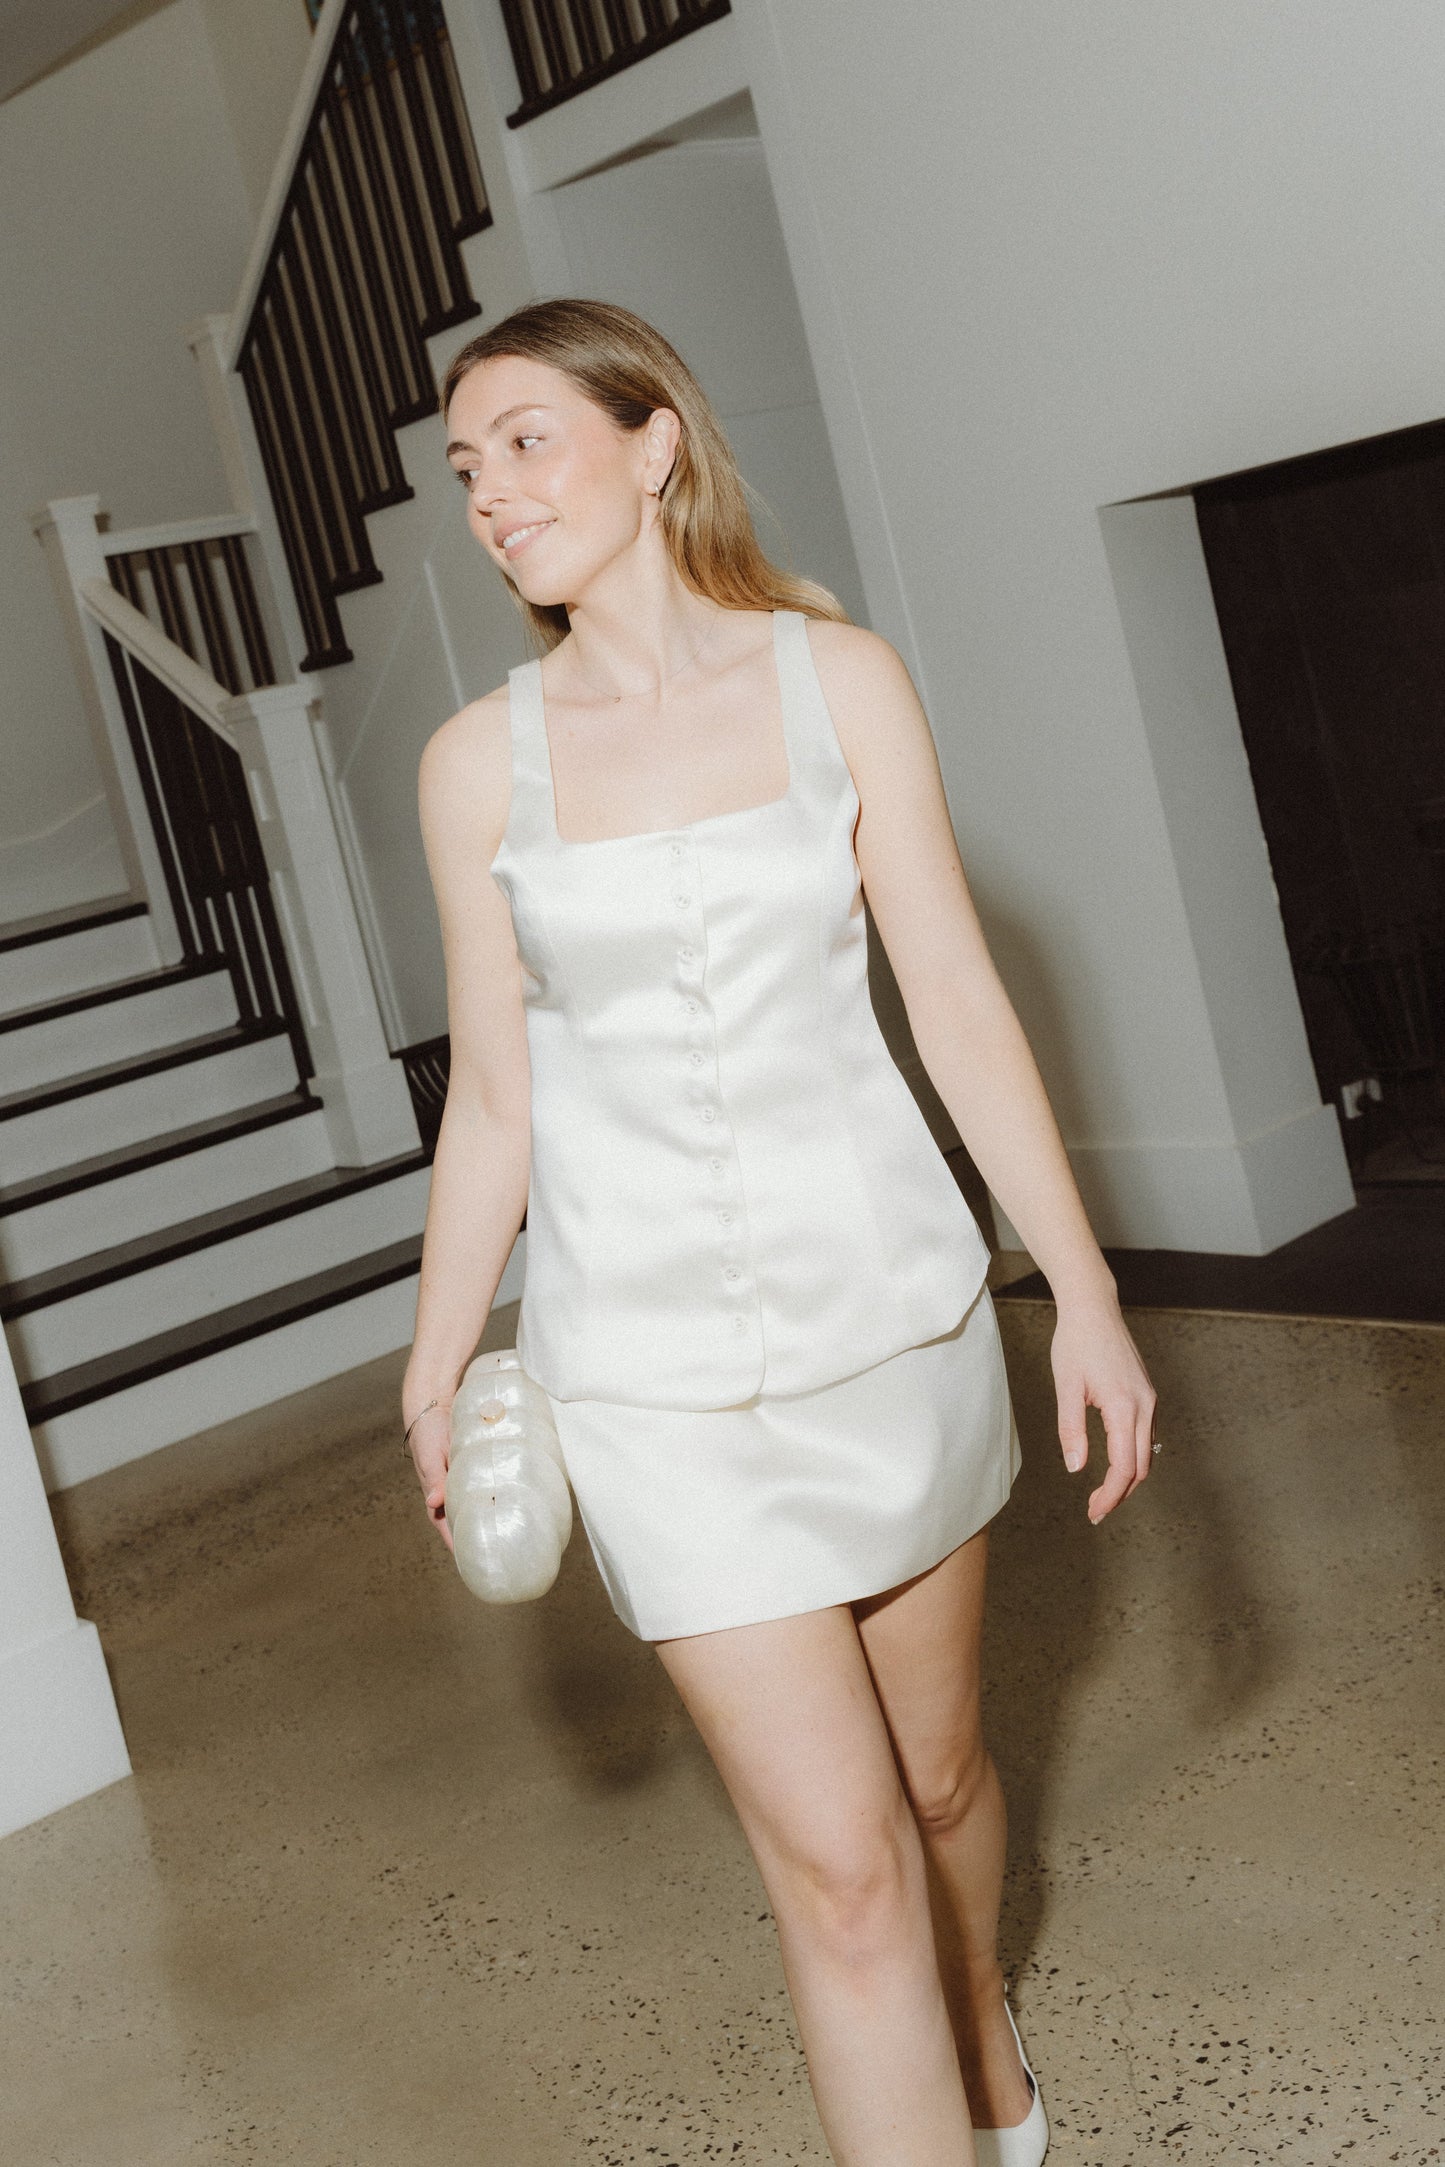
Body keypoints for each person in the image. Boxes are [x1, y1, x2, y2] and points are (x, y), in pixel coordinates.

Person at [403, 297, 1157, 2167]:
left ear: (652, 443)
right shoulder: (474, 766)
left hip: (889, 1324)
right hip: (647, 1382)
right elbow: (492, 1100)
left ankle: (973, 2017)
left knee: (940, 1779)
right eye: (463, 469)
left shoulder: (839, 682)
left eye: (524, 443)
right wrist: (432, 1366)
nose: (490, 497)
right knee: (835, 1873)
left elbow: (959, 1007)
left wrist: (1083, 1291)